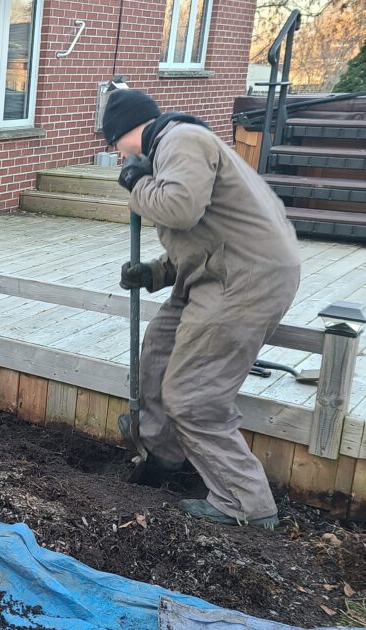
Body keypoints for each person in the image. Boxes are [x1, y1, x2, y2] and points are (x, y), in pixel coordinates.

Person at [102, 88, 301, 530]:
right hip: (218, 273)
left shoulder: (181, 140)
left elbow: (180, 208)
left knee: (193, 396)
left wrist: (138, 185)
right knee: (158, 351)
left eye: (114, 145)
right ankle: (163, 450)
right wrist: (153, 273)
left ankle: (245, 503)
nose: (117, 157)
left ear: (127, 132)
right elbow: (203, 238)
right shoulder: (171, 150)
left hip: (244, 281)